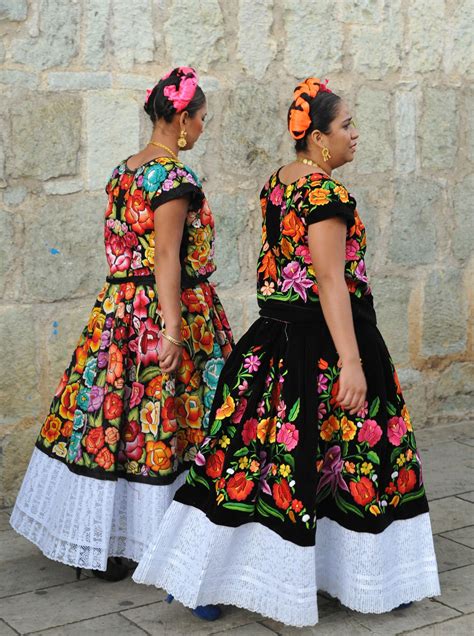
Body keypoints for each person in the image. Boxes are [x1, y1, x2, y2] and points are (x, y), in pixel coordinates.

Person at [133, 77, 440, 626]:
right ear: (319, 138)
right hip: (322, 343)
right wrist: (351, 361)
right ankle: (362, 577)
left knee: (247, 463)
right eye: (347, 125)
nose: (356, 136)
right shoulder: (324, 195)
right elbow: (329, 281)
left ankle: (205, 575)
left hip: (272, 341)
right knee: (355, 457)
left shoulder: (280, 183)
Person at [10, 67, 233, 589]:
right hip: (165, 311)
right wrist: (173, 329)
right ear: (180, 119)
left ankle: (109, 543)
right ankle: (157, 540)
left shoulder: (123, 171)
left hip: (116, 312)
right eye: (200, 119)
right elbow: (166, 261)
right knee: (163, 422)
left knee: (114, 424)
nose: (202, 129)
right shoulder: (175, 179)